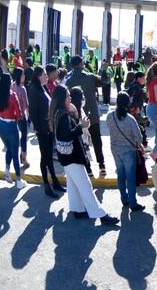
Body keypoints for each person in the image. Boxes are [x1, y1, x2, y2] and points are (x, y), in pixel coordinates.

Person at [51, 85, 119, 225]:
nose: (70, 98)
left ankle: (77, 209)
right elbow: (67, 135)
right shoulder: (63, 115)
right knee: (85, 185)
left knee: (73, 184)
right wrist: (81, 126)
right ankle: (101, 214)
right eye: (68, 96)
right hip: (72, 155)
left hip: (66, 156)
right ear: (62, 98)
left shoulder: (57, 112)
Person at [65, 55, 106, 174]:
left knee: (83, 143)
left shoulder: (68, 81)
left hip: (77, 116)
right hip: (92, 115)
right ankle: (101, 165)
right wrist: (103, 69)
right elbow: (104, 81)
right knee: (96, 139)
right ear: (82, 64)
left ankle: (88, 169)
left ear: (72, 66)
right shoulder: (90, 77)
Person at [106, 92, 145, 212]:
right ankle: (133, 203)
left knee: (121, 176)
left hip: (115, 150)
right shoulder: (130, 119)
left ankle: (124, 199)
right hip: (128, 151)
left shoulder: (109, 116)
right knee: (131, 178)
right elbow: (139, 138)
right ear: (128, 103)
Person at [29, 66, 64, 198]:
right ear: (38, 76)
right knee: (45, 157)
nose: (46, 76)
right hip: (43, 130)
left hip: (49, 128)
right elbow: (33, 113)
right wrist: (38, 129)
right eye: (43, 74)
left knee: (49, 156)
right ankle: (46, 185)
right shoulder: (34, 90)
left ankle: (54, 181)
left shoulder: (42, 88)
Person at [0, 73, 26, 188]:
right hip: (11, 126)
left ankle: (7, 169)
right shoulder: (13, 95)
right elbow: (20, 114)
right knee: (15, 153)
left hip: (1, 125)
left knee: (9, 149)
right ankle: (19, 181)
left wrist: (0, 112)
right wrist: (15, 118)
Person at [12, 67, 31, 172]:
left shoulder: (12, 85)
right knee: (24, 137)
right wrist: (29, 118)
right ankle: (24, 158)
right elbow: (26, 105)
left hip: (14, 116)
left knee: (17, 138)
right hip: (22, 116)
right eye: (23, 74)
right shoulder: (22, 89)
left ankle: (20, 157)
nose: (24, 76)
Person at [145, 62, 157, 159]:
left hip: (151, 107)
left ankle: (155, 153)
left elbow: (150, 96)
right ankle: (155, 154)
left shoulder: (153, 81)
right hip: (155, 109)